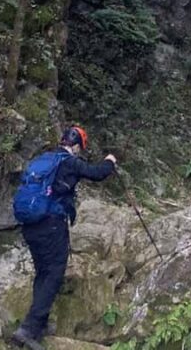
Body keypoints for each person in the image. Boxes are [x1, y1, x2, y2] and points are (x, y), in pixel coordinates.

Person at [11, 126, 117, 350]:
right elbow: (97, 173)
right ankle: (28, 330)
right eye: (80, 148)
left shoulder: (45, 158)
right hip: (51, 225)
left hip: (30, 225)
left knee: (43, 272)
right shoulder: (69, 162)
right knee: (55, 274)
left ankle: (38, 323)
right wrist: (110, 161)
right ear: (76, 145)